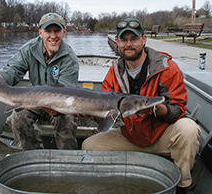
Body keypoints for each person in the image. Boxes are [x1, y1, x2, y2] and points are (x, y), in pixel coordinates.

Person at [81, 18, 201, 193]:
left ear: (144, 39)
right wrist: (88, 113)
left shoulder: (167, 68)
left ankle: (183, 186)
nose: (129, 44)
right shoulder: (114, 72)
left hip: (161, 136)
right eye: (124, 40)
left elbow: (179, 109)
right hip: (131, 136)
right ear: (118, 42)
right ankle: (117, 185)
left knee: (189, 129)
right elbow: (106, 111)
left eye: (134, 39)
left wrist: (161, 110)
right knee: (88, 146)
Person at [0, 12, 79, 150]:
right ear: (40, 32)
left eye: (57, 31)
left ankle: (67, 158)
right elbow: (13, 71)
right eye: (48, 31)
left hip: (58, 104)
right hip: (32, 101)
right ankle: (32, 154)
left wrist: (55, 110)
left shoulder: (69, 58)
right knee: (18, 118)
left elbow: (66, 91)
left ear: (64, 32)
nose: (53, 36)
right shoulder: (29, 49)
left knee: (67, 120)